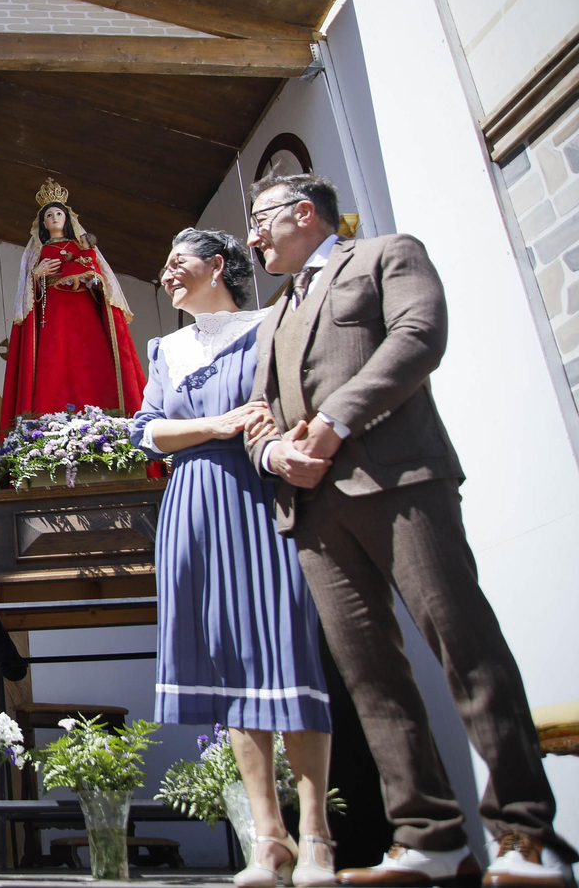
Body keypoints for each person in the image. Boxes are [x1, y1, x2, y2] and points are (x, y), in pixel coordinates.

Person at [244, 174, 576, 888]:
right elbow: (260, 415)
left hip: (402, 483)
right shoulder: (272, 317)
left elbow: (419, 338)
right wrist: (275, 454)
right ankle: (429, 838)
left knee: (464, 645)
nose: (251, 236)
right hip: (317, 511)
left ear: (305, 212)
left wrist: (332, 424)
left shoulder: (386, 256)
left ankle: (526, 836)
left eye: (261, 218)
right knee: (370, 675)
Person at [132, 228, 335, 887]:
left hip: (256, 493)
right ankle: (267, 840)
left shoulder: (269, 327)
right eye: (164, 266)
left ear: (217, 266)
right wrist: (217, 425)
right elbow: (149, 431)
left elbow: (285, 405)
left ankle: (316, 838)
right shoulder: (166, 348)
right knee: (229, 672)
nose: (167, 274)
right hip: (193, 503)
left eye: (178, 262)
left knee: (285, 654)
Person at [0, 179, 146, 439]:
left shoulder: (83, 246)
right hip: (53, 314)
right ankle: (46, 424)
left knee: (90, 360)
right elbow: (26, 293)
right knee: (54, 361)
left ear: (67, 218)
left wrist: (90, 278)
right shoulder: (37, 251)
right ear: (42, 224)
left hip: (83, 311)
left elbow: (103, 281)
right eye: (49, 215)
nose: (54, 218)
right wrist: (38, 274)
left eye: (58, 214)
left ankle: (107, 420)